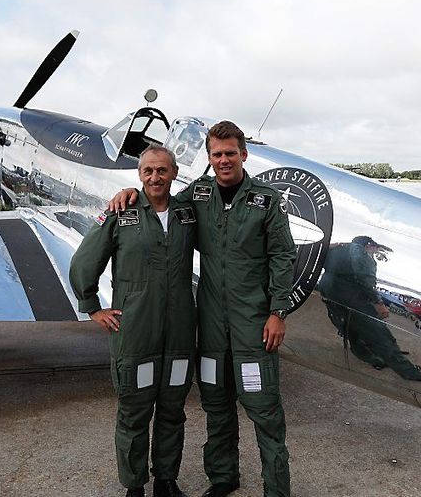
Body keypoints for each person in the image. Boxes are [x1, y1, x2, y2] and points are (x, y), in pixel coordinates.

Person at [111, 120, 296, 497]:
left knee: (264, 410)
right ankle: (223, 477)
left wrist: (278, 312)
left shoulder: (266, 200)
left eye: (231, 153)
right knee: (216, 403)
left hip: (254, 322)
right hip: (211, 322)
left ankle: (277, 490)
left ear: (243, 154)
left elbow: (283, 256)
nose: (224, 160)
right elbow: (159, 203)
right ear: (209, 159)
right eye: (217, 154)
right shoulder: (198, 195)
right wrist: (132, 190)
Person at [70, 146, 197, 497]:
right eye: (148, 171)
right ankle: (134, 485)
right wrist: (92, 306)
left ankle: (166, 481)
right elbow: (84, 261)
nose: (155, 178)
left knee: (173, 410)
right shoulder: (121, 212)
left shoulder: (189, 213)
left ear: (173, 174)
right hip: (136, 333)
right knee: (134, 412)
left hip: (180, 332)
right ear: (139, 175)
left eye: (162, 171)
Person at [317, 237, 421, 384]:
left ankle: (368, 355)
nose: (376, 251)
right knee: (378, 332)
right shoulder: (361, 254)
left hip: (329, 288)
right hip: (350, 295)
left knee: (349, 327)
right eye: (375, 248)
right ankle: (408, 371)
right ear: (368, 245)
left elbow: (321, 259)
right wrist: (378, 302)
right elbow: (366, 280)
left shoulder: (337, 249)